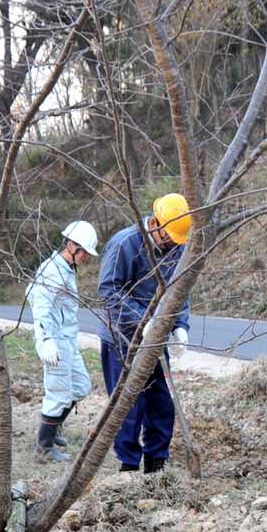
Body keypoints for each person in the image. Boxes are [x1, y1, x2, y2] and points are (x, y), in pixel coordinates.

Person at [97, 193, 192, 474]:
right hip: (122, 338)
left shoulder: (176, 247)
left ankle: (156, 464)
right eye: (170, 237)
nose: (173, 244)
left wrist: (180, 325)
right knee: (129, 405)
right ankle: (128, 466)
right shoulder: (125, 243)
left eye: (177, 240)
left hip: (156, 337)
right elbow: (108, 291)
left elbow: (180, 289)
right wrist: (143, 321)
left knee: (161, 402)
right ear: (155, 223)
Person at [27, 220, 99, 462]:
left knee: (81, 387)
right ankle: (44, 448)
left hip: (67, 339)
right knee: (58, 394)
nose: (86, 257)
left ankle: (54, 425)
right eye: (84, 252)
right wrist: (46, 340)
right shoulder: (52, 271)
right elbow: (40, 306)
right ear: (70, 245)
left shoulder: (65, 269)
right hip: (55, 341)